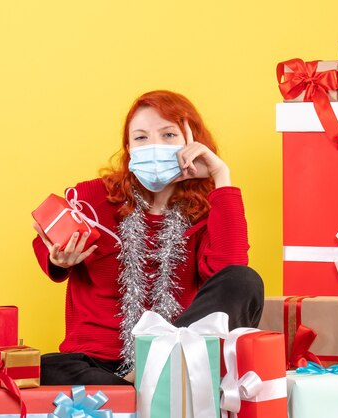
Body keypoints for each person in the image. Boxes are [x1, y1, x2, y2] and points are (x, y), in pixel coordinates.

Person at [32, 90, 264, 385]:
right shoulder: (94, 196)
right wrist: (58, 258)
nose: (154, 146)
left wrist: (221, 175)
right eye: (141, 138)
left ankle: (145, 376)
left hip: (176, 356)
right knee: (41, 369)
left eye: (168, 135)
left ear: (193, 143)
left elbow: (229, 272)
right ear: (129, 147)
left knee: (245, 279)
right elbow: (47, 237)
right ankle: (138, 388)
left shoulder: (207, 209)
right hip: (97, 361)